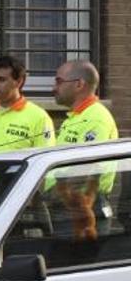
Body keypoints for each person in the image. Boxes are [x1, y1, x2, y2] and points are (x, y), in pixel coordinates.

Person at [0, 55, 55, 219]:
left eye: (1, 80)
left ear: (19, 81)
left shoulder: (38, 117)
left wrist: (32, 198)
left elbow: (48, 165)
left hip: (22, 201)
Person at [49, 59, 118, 239]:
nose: (53, 88)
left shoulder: (95, 119)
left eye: (58, 81)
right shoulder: (76, 118)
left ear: (79, 84)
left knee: (75, 264)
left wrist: (56, 192)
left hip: (84, 206)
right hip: (70, 205)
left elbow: (88, 168)